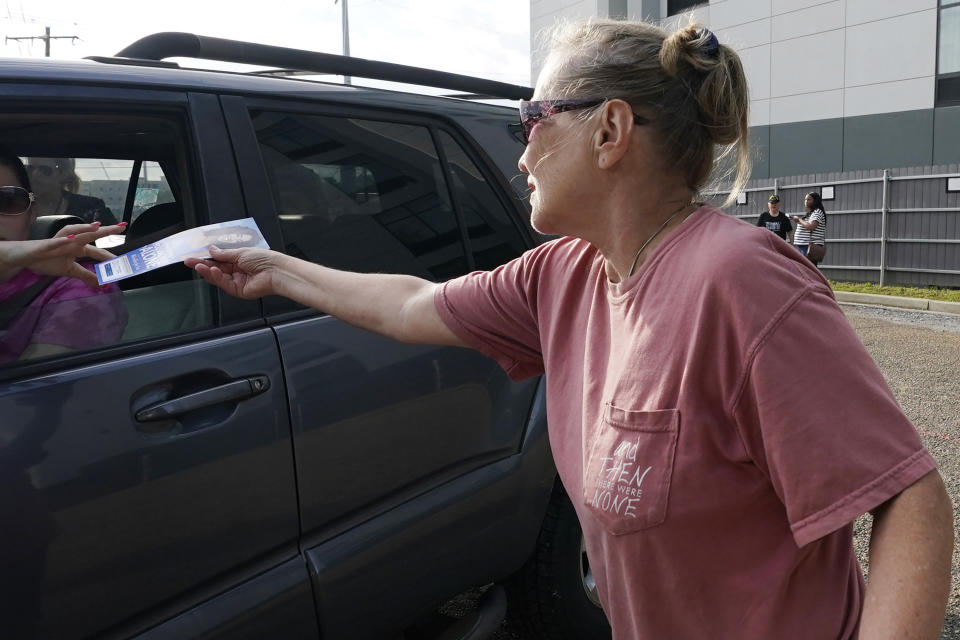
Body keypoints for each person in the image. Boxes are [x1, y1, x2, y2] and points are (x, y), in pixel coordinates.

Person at [186, 20, 953, 640]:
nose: (520, 152)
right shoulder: (561, 273)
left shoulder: (742, 281)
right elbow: (412, 305)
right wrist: (273, 269)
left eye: (532, 118)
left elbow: (908, 499)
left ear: (611, 130)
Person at [1, 150, 128, 363]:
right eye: (33, 168)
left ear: (32, 214)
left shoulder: (81, 286)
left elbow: (35, 390)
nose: (38, 175)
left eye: (7, 201)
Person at [26, 157, 118, 226]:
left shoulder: (91, 208)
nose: (34, 175)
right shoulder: (19, 203)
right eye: (30, 169)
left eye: (45, 170)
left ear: (63, 174)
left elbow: (114, 240)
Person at [793, 190, 826, 264]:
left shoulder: (817, 212)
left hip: (809, 246)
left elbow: (811, 226)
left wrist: (799, 219)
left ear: (815, 201)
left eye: (809, 199)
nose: (806, 201)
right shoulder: (812, 212)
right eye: (805, 199)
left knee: (808, 269)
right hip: (804, 246)